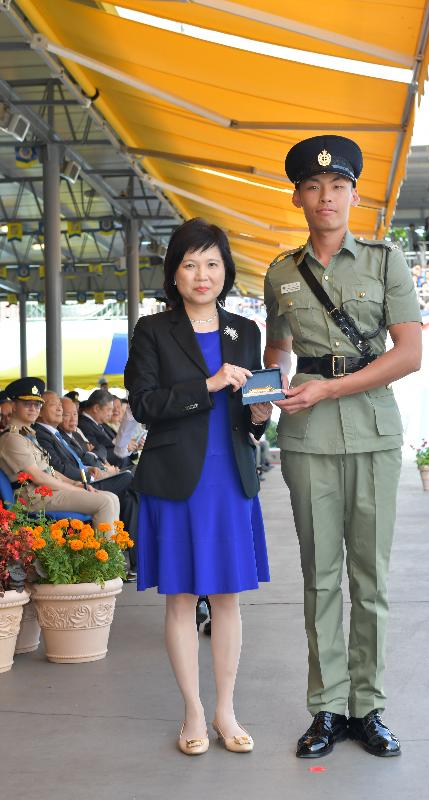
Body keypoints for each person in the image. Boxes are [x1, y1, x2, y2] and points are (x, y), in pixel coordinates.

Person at [264, 135, 422, 759]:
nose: (325, 197)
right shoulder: (280, 272)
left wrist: (330, 389)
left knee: (371, 580)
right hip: (305, 439)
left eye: (338, 187)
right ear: (298, 196)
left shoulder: (386, 262)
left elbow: (408, 354)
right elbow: (279, 354)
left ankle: (370, 706)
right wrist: (266, 389)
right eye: (313, 187)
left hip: (374, 431)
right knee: (319, 578)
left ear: (355, 194)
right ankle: (327, 709)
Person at [124, 218, 271, 756]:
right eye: (190, 264)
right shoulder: (152, 331)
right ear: (174, 274)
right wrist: (206, 385)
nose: (202, 274)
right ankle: (191, 711)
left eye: (211, 263)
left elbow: (250, 412)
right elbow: (143, 404)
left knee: (228, 598)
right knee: (182, 599)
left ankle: (225, 709)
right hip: (176, 479)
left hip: (230, 477)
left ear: (226, 270)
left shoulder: (244, 330)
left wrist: (259, 416)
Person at [35, 391, 138, 579]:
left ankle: (133, 561)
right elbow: (58, 467)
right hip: (78, 484)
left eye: (63, 406)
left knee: (131, 497)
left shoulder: (58, 433)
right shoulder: (41, 434)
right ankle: (110, 563)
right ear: (40, 411)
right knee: (129, 480)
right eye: (54, 405)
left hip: (87, 479)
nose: (60, 409)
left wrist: (92, 467)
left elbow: (84, 455)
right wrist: (86, 477)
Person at [0, 378, 120, 527]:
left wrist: (77, 484)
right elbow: (38, 477)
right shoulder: (12, 438)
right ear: (13, 406)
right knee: (105, 502)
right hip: (34, 497)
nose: (33, 408)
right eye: (27, 404)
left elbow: (50, 471)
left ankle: (112, 548)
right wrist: (76, 489)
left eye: (37, 404)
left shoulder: (28, 435)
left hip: (46, 492)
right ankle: (105, 550)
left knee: (112, 497)